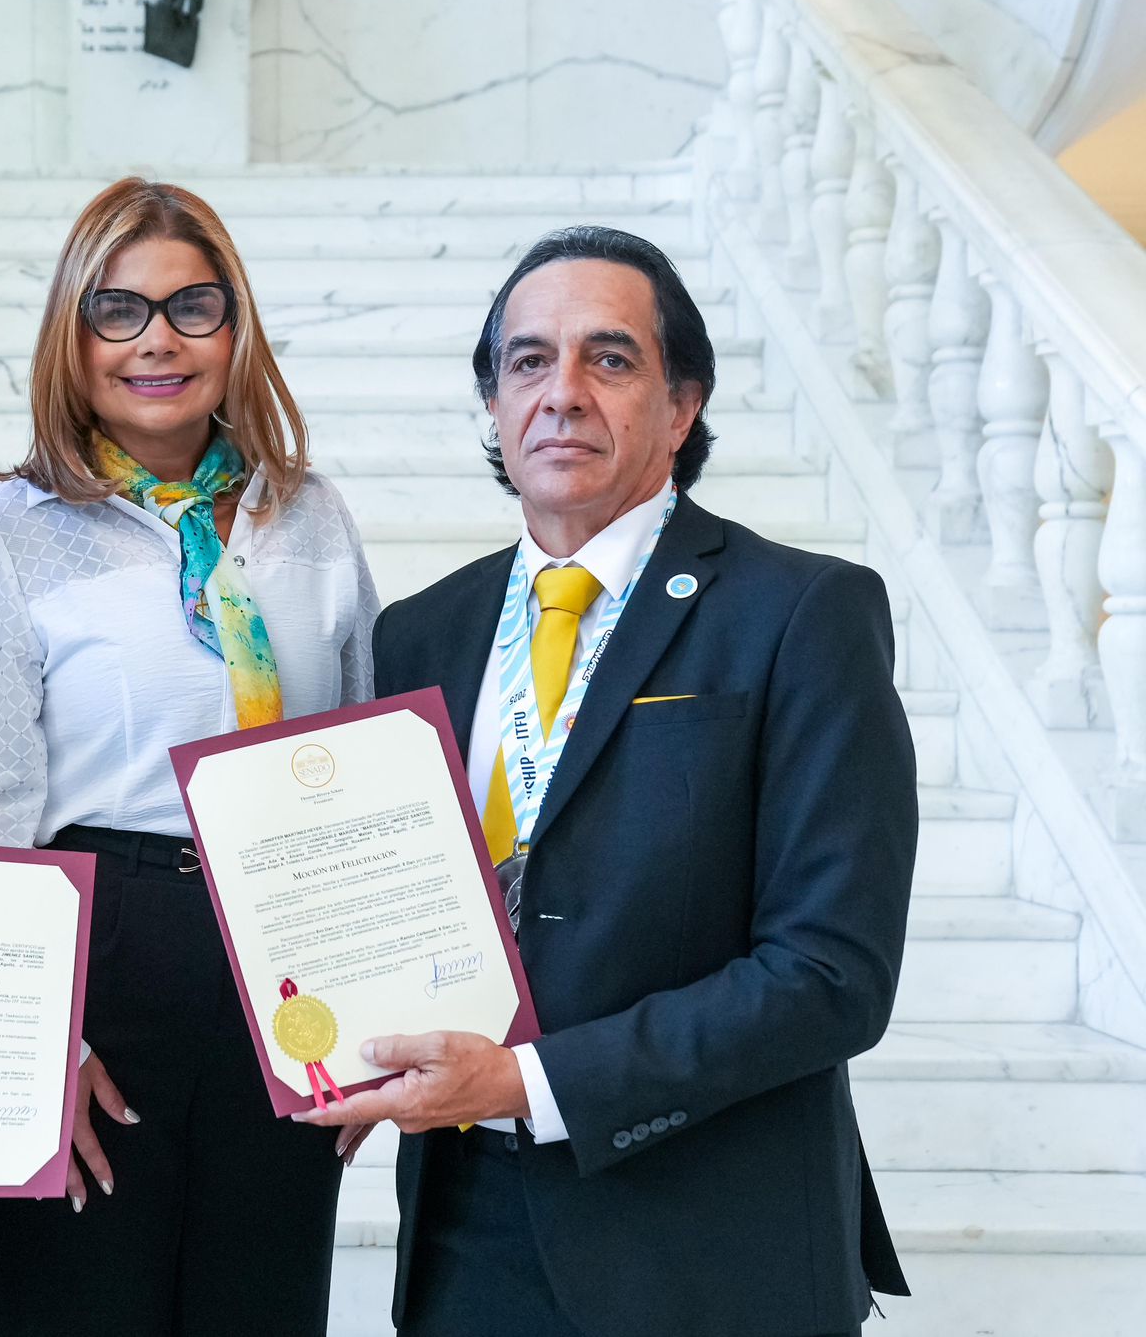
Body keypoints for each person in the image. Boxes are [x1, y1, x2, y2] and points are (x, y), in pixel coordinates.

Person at [297, 225, 917, 1337]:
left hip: (707, 1247)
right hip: (462, 1240)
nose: (562, 393)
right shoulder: (418, 635)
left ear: (681, 405)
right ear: (492, 403)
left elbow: (831, 973)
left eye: (609, 358)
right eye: (527, 361)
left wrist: (526, 1085)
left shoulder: (799, 615)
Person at [0, 177, 380, 1336]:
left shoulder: (310, 514)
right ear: (70, 338)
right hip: (105, 954)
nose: (158, 342)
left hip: (282, 960)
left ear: (236, 330)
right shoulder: (14, 533)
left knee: (263, 1307)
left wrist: (375, 997)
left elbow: (371, 758)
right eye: (117, 311)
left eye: (193, 306)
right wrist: (45, 1034)